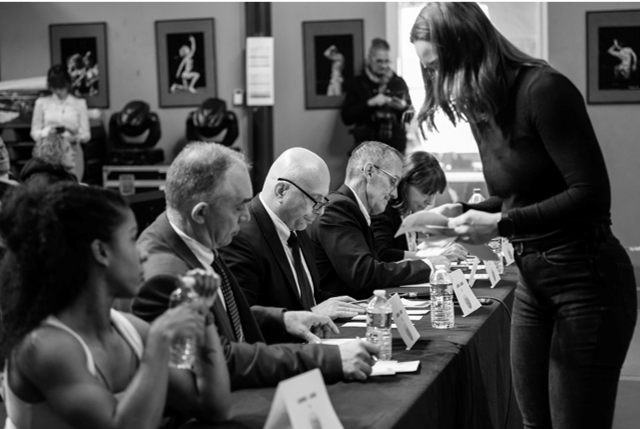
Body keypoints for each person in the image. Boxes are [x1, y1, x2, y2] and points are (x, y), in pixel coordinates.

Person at [410, 2, 637, 428]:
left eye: (437, 66)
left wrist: (501, 224)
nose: (435, 80)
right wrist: (464, 211)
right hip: (534, 281)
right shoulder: (483, 109)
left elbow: (590, 195)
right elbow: (514, 197)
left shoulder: (543, 90)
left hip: (586, 282)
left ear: (466, 47)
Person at [131, 142, 379, 390]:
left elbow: (226, 319)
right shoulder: (166, 278)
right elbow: (221, 362)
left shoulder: (199, 236)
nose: (247, 215)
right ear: (200, 213)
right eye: (238, 207)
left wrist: (282, 319)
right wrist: (328, 359)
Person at [0, 183, 230, 429]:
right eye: (132, 238)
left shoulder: (129, 330)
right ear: (101, 251)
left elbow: (213, 408)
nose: (142, 254)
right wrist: (159, 342)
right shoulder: (44, 346)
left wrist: (201, 314)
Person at [219, 147, 364, 320]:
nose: (320, 212)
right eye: (316, 200)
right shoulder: (239, 237)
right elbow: (242, 318)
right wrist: (311, 314)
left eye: (323, 201)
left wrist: (351, 307)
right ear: (281, 191)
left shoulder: (296, 225)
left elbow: (305, 296)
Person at [307, 141, 443, 301]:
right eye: (393, 181)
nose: (395, 194)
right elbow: (364, 273)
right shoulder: (337, 209)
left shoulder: (353, 210)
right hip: (345, 313)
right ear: (369, 172)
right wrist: (427, 265)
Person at [371, 150, 467, 263]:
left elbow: (407, 254)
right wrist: (434, 255)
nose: (430, 202)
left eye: (434, 194)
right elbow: (382, 253)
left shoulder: (408, 212)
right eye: (425, 192)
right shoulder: (384, 209)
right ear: (405, 183)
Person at [341, 38, 412, 154]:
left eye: (386, 61)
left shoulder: (398, 82)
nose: (384, 66)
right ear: (370, 59)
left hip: (396, 148)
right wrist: (370, 103)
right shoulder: (358, 84)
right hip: (366, 148)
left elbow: (410, 116)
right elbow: (346, 117)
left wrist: (403, 108)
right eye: (379, 61)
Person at [30, 64, 90, 182]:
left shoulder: (79, 104)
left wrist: (73, 132)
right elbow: (34, 132)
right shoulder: (41, 103)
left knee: (73, 184)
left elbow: (86, 135)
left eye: (61, 87)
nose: (58, 91)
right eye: (54, 87)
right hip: (49, 152)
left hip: (72, 150)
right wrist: (48, 131)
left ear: (67, 84)